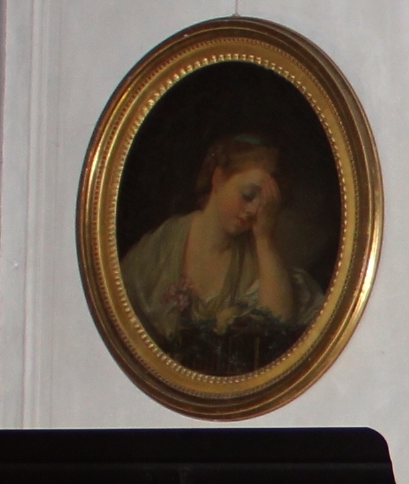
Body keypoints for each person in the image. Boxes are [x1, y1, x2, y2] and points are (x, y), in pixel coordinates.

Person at [119, 134, 326, 373]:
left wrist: (264, 238)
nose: (253, 211)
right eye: (248, 195)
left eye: (264, 203)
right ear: (218, 179)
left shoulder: (261, 259)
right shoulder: (162, 247)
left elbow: (277, 327)